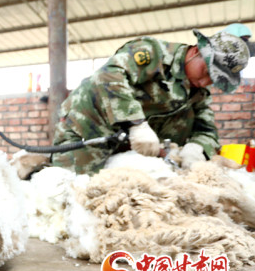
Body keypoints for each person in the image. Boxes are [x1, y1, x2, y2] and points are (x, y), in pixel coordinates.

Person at [51, 27, 251, 175]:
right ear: (198, 51)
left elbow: (207, 129)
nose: (205, 81)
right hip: (90, 131)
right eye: (207, 72)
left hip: (131, 149)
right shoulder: (152, 53)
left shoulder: (197, 92)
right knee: (71, 192)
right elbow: (109, 77)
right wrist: (137, 124)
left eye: (213, 80)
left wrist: (198, 148)